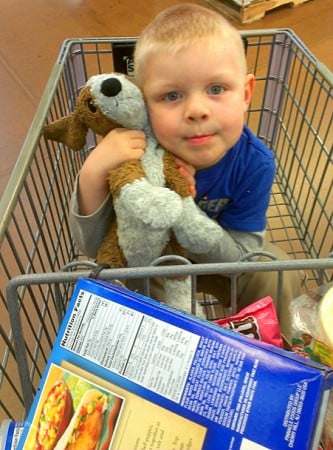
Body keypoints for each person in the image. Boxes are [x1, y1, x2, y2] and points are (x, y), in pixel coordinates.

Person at [70, 3, 303, 341]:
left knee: (275, 270)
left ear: (246, 93)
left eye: (217, 89)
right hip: (155, 265)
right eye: (172, 95)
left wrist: (185, 213)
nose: (196, 110)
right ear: (144, 104)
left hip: (220, 259)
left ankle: (279, 359)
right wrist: (94, 170)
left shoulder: (255, 163)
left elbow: (244, 256)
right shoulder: (130, 154)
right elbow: (92, 246)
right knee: (137, 283)